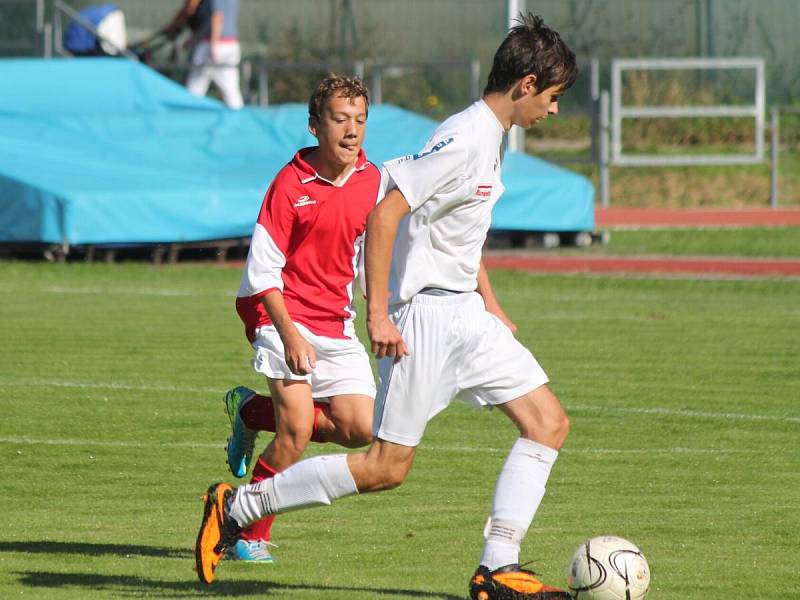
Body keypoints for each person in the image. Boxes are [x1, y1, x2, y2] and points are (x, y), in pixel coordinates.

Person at [195, 14, 578, 599]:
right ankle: (243, 504)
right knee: (383, 467)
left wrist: (491, 301)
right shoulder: (468, 137)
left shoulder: (487, 138)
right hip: (425, 320)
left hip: (466, 318)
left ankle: (497, 568)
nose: (553, 111)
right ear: (526, 84)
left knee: (548, 423)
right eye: (552, 97)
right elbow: (388, 212)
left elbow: (450, 226)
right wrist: (378, 315)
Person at [219, 74, 380, 563]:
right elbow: (261, 274)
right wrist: (288, 335)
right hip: (278, 314)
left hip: (336, 322)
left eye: (359, 121)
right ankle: (248, 532)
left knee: (361, 428)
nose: (351, 132)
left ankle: (250, 413)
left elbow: (375, 253)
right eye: (339, 120)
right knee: (295, 434)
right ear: (315, 125)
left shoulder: (374, 180)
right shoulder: (290, 185)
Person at [162, 0, 244, 109]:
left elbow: (217, 16)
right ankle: (239, 118)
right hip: (231, 44)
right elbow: (209, 22)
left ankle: (188, 116)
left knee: (196, 87)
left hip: (212, 45)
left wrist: (214, 45)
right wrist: (194, 39)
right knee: (231, 89)